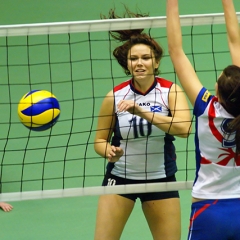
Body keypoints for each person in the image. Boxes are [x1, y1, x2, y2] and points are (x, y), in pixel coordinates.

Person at [94, 8, 192, 240]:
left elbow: (184, 128)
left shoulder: (170, 91)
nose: (140, 63)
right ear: (127, 64)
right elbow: (99, 140)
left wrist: (142, 111)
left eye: (146, 58)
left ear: (156, 63)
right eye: (134, 58)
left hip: (161, 180)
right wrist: (108, 151)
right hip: (119, 179)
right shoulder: (114, 96)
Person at [166, 0, 240, 239]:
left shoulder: (206, 109)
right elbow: (235, 42)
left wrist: (172, 3)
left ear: (216, 92)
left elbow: (176, 52)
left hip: (209, 210)